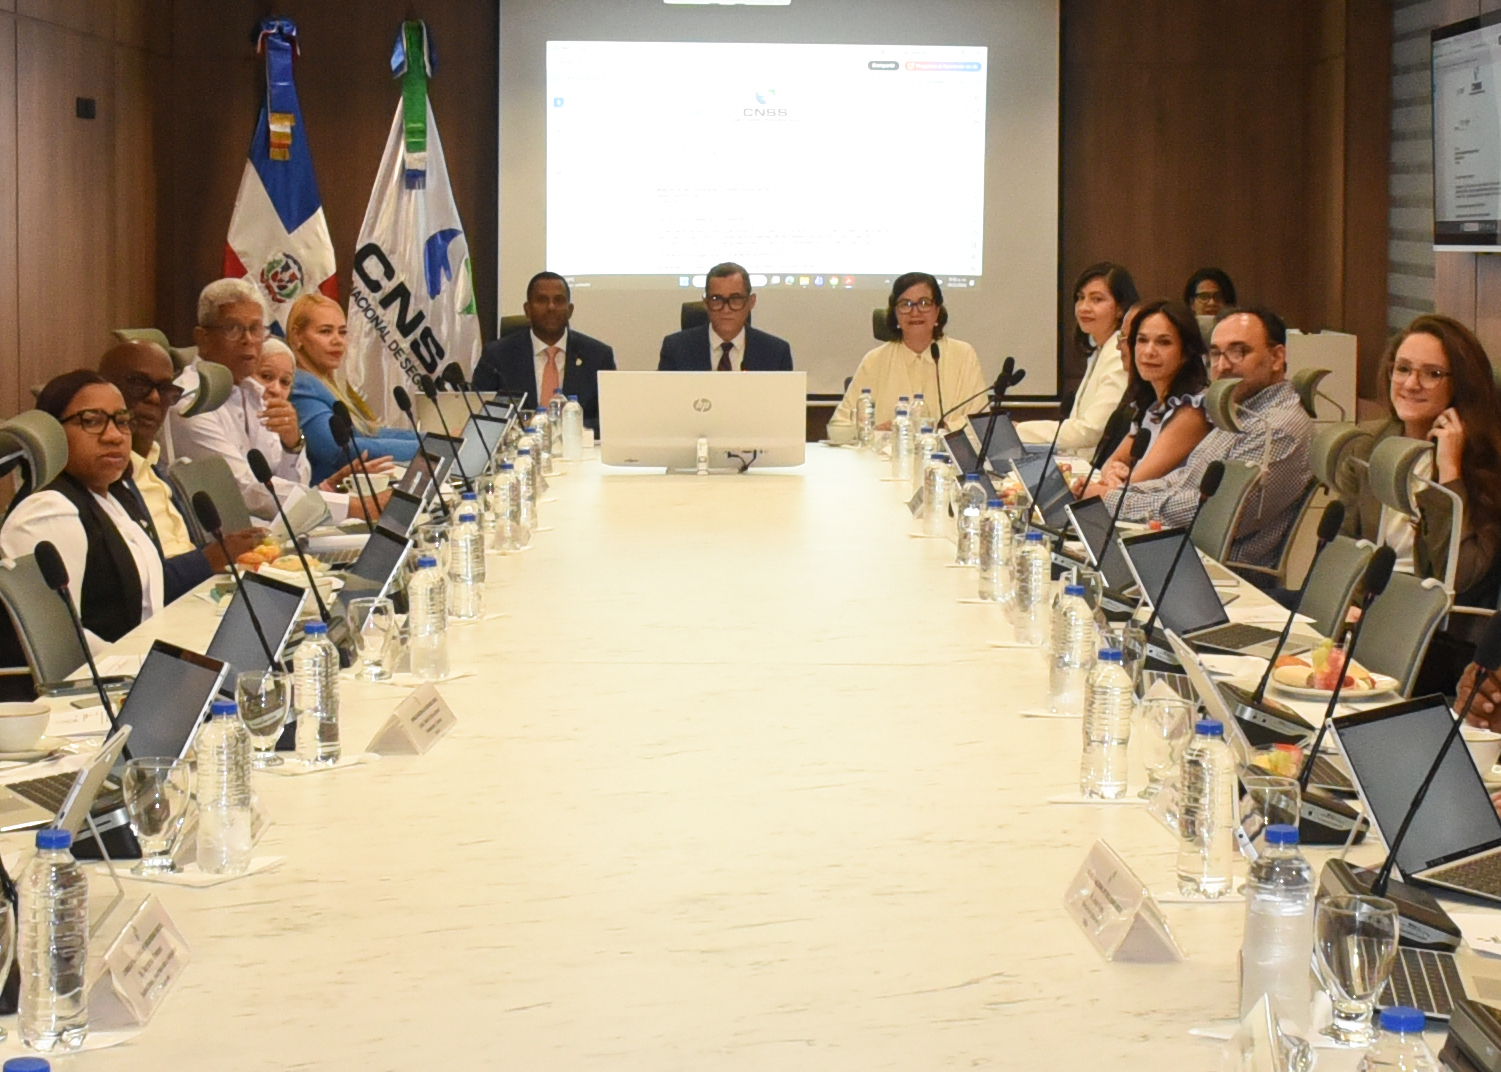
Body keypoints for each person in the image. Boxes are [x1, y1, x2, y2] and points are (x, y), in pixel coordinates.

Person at [1102, 307, 1314, 569]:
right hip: (1184, 556)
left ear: (1276, 357)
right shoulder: (1240, 412)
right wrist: (1123, 494)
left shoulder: (1277, 428)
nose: (1223, 366)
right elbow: (1184, 480)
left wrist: (1116, 501)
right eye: (1216, 354)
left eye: (1239, 351)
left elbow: (1214, 513)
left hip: (1219, 575)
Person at [171, 279, 379, 526]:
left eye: (256, 329)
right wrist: (354, 507)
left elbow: (291, 481)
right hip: (228, 546)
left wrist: (292, 444)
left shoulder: (255, 391)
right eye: (233, 329)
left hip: (278, 531)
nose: (248, 340)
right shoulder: (190, 402)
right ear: (202, 338)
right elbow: (246, 490)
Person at [1334, 314, 1501, 607]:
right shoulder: (1366, 447)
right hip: (1364, 612)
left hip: (1432, 628)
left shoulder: (1487, 462)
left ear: (1460, 384)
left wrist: (1450, 473)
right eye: (1402, 369)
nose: (1411, 384)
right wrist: (1348, 605)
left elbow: (1459, 577)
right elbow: (1342, 547)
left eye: (1432, 374)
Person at [0, 371, 163, 648]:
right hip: (95, 682)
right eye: (92, 421)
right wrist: (146, 668)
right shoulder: (48, 511)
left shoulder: (115, 496)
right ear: (53, 433)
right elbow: (60, 641)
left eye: (121, 421)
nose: (114, 436)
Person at [97, 339, 262, 602]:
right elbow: (129, 592)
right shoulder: (105, 481)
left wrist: (226, 550)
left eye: (164, 389)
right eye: (138, 383)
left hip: (201, 597)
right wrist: (209, 559)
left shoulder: (155, 469)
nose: (153, 398)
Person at [825, 272, 988, 443]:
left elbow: (982, 423)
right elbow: (838, 428)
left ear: (937, 311)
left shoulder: (963, 355)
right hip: (884, 464)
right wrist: (873, 432)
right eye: (905, 304)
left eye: (924, 303)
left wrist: (941, 430)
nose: (915, 312)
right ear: (895, 313)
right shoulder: (875, 360)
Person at [286, 293, 418, 485]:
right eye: (325, 331)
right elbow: (339, 450)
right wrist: (425, 450)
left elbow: (370, 432)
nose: (338, 340)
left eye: (342, 332)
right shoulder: (301, 385)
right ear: (297, 335)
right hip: (332, 502)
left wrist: (433, 440)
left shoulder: (326, 383)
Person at [1082, 300, 1210, 493]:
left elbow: (1135, 486)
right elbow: (1113, 461)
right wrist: (1112, 474)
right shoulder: (1155, 406)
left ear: (1186, 353)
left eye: (1163, 342)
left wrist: (1092, 490)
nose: (1149, 351)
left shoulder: (1192, 411)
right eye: (1142, 340)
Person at [1015, 262, 1137, 452]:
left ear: (1120, 308)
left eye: (1096, 299)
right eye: (1081, 298)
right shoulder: (1100, 349)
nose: (1084, 307)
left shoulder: (1118, 354)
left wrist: (1020, 430)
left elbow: (1091, 430)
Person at [472, 272, 617, 432]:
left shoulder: (598, 356)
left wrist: (567, 430)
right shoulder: (497, 356)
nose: (551, 307)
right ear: (527, 310)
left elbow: (610, 419)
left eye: (559, 300)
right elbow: (480, 416)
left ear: (570, 310)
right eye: (542, 300)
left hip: (579, 451)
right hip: (521, 452)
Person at [658, 263, 793, 372]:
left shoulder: (776, 353)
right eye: (717, 299)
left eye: (735, 299)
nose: (726, 309)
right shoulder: (676, 349)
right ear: (706, 303)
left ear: (751, 302)